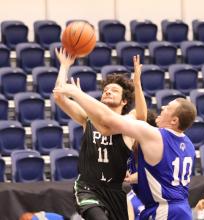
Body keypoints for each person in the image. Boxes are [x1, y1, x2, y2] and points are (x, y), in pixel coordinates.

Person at [54, 76, 197, 219]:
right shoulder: (189, 145)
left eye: (168, 107)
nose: (163, 107)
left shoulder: (152, 134)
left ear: (174, 121)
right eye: (105, 90)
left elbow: (106, 125)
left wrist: (78, 94)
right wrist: (138, 175)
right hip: (179, 207)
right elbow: (165, 172)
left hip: (161, 208)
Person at [53, 48, 147, 220]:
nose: (108, 91)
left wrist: (137, 84)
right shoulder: (87, 118)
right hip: (87, 187)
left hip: (115, 190)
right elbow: (59, 96)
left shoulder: (127, 122)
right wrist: (64, 66)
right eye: (105, 90)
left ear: (124, 101)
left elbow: (141, 115)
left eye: (114, 90)